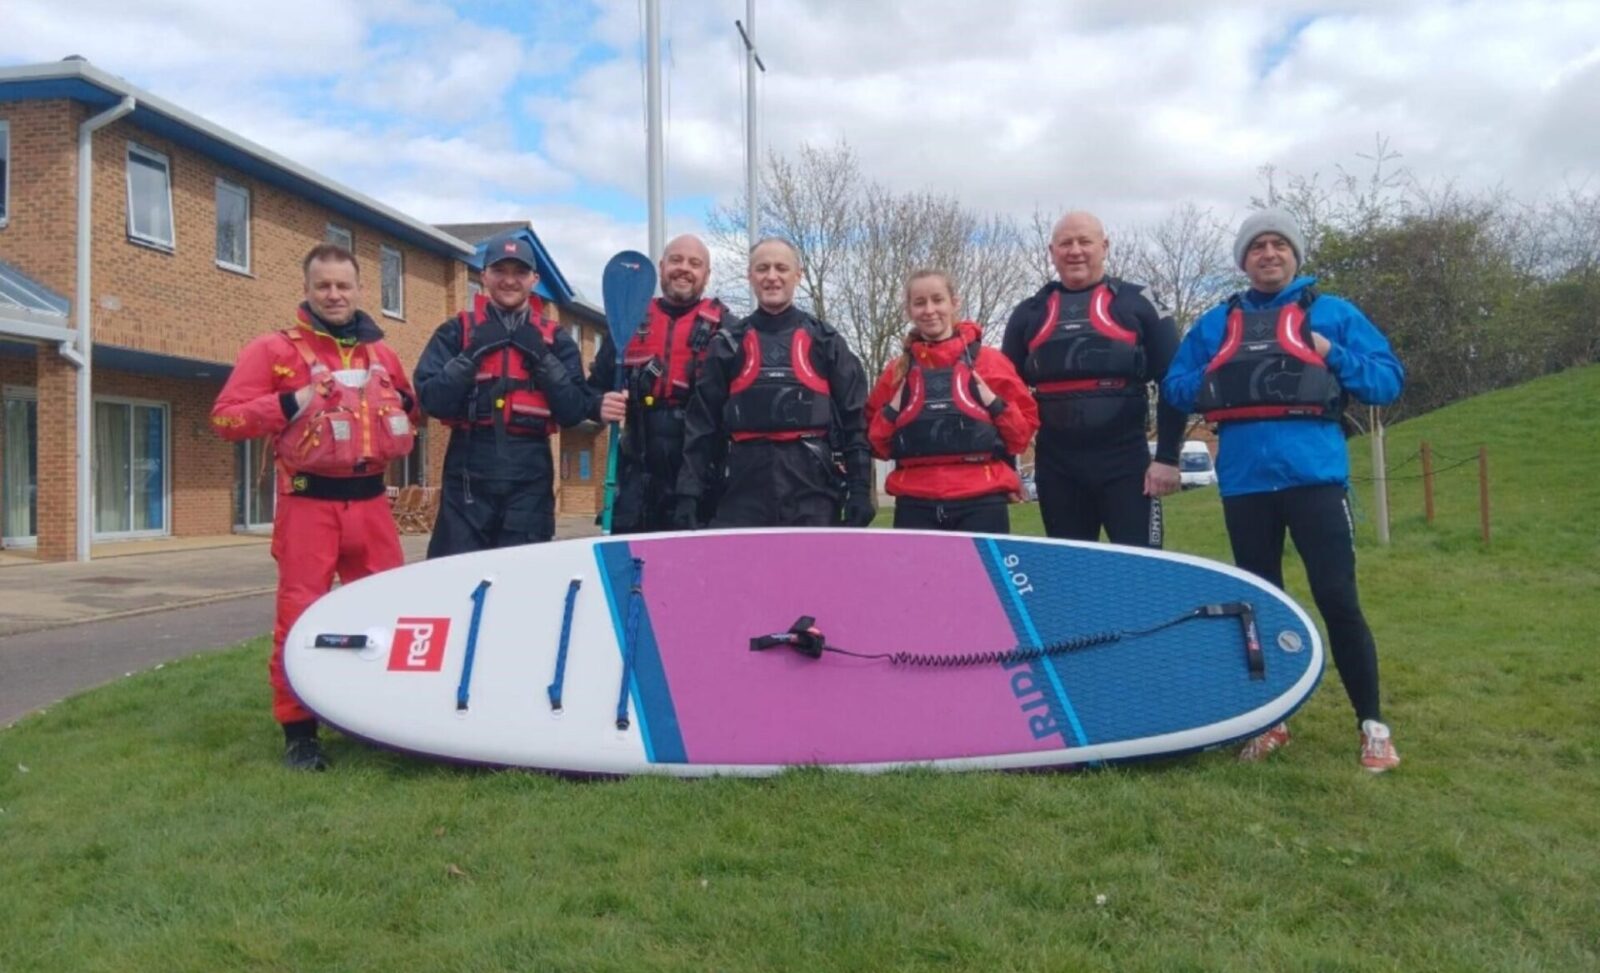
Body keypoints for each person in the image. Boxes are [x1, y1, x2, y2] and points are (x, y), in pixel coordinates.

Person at [1163, 208, 1405, 773]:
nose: (1268, 254)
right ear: (1244, 260)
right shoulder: (1217, 323)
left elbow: (1387, 380)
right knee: (1259, 604)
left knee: (1337, 599)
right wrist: (1216, 371)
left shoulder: (1333, 313)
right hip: (1246, 485)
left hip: (1315, 479)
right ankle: (1270, 720)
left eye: (1278, 245)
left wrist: (1331, 353)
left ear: (1294, 255)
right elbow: (1175, 389)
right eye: (1256, 247)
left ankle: (1372, 726)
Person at [211, 244, 419, 770]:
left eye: (342, 285)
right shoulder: (273, 350)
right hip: (308, 505)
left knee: (391, 614)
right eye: (323, 285)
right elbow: (225, 419)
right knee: (298, 618)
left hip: (372, 504)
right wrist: (288, 402)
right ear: (306, 290)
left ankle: (385, 716)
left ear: (357, 290)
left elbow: (411, 405)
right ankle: (300, 733)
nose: (333, 294)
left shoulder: (383, 355)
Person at [413, 235, 624, 556]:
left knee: (523, 573)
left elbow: (573, 409)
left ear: (534, 280)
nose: (509, 280)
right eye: (499, 270)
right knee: (455, 572)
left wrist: (541, 358)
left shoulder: (557, 340)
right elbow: (431, 399)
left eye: (520, 272)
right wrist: (472, 354)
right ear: (483, 276)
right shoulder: (456, 332)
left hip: (531, 469)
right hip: (469, 465)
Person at [1001, 211, 1185, 546]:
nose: (1075, 250)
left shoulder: (1141, 302)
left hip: (1127, 463)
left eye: (1084, 241)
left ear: (1104, 246)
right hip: (1058, 467)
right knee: (1072, 576)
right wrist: (1005, 465)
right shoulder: (1028, 312)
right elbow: (1004, 397)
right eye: (1065, 243)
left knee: (1143, 571)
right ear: (1051, 251)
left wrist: (1168, 458)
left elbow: (1173, 381)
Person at [673, 237, 873, 528]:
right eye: (762, 268)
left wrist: (859, 489)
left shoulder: (826, 342)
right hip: (743, 489)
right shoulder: (729, 344)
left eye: (781, 268)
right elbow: (702, 425)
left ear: (797, 275)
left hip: (812, 488)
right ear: (750, 276)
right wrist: (688, 494)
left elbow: (855, 419)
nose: (772, 277)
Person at [866, 270, 1039, 532]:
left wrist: (994, 403)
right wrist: (892, 411)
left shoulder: (990, 363)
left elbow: (1021, 437)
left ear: (954, 303)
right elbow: (876, 444)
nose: (929, 310)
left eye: (938, 300)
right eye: (920, 302)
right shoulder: (896, 372)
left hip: (981, 501)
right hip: (916, 503)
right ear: (909, 310)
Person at [586, 234, 730, 532]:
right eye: (676, 260)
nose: (684, 269)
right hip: (637, 469)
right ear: (662, 267)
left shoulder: (726, 328)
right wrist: (599, 405)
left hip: (701, 472)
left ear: (707, 275)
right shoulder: (629, 320)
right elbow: (592, 389)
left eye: (695, 263)